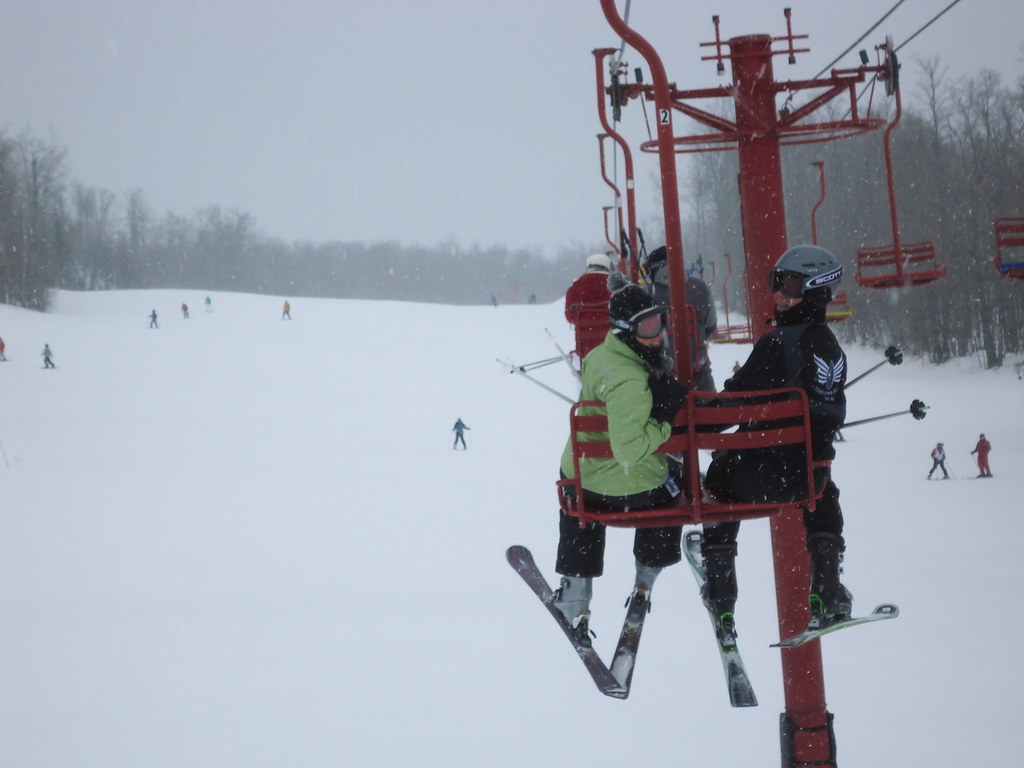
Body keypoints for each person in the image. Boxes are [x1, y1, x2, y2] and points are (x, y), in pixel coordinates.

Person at [697, 245, 849, 645]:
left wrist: (694, 410)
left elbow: (729, 407)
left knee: (717, 480)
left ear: (814, 291)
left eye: (790, 286)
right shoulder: (832, 348)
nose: (779, 295)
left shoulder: (778, 343)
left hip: (755, 478)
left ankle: (720, 591)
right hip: (805, 482)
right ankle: (827, 587)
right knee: (825, 491)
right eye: (776, 284)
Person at [554, 271, 688, 645]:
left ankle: (577, 591)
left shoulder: (599, 355)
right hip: (639, 495)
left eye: (659, 321)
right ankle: (646, 580)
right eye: (647, 327)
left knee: (576, 498)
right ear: (626, 330)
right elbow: (629, 450)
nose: (658, 333)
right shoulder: (631, 380)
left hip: (589, 488)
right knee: (672, 490)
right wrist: (662, 418)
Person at [645, 246, 718, 392]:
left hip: (659, 384)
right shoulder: (700, 287)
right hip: (701, 380)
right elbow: (710, 325)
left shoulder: (646, 294)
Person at [564, 253, 614, 367]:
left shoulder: (574, 289)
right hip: (613, 348)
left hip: (585, 351)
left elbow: (570, 318)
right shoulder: (615, 287)